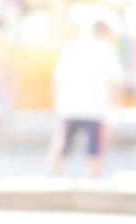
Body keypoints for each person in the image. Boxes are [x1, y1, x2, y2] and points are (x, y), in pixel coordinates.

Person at [49, 18, 125, 178]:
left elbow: (57, 78)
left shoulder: (71, 47)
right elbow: (115, 81)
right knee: (94, 149)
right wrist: (115, 108)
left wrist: (57, 103)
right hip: (94, 107)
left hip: (69, 106)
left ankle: (53, 177)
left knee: (62, 145)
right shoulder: (106, 49)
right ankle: (94, 181)